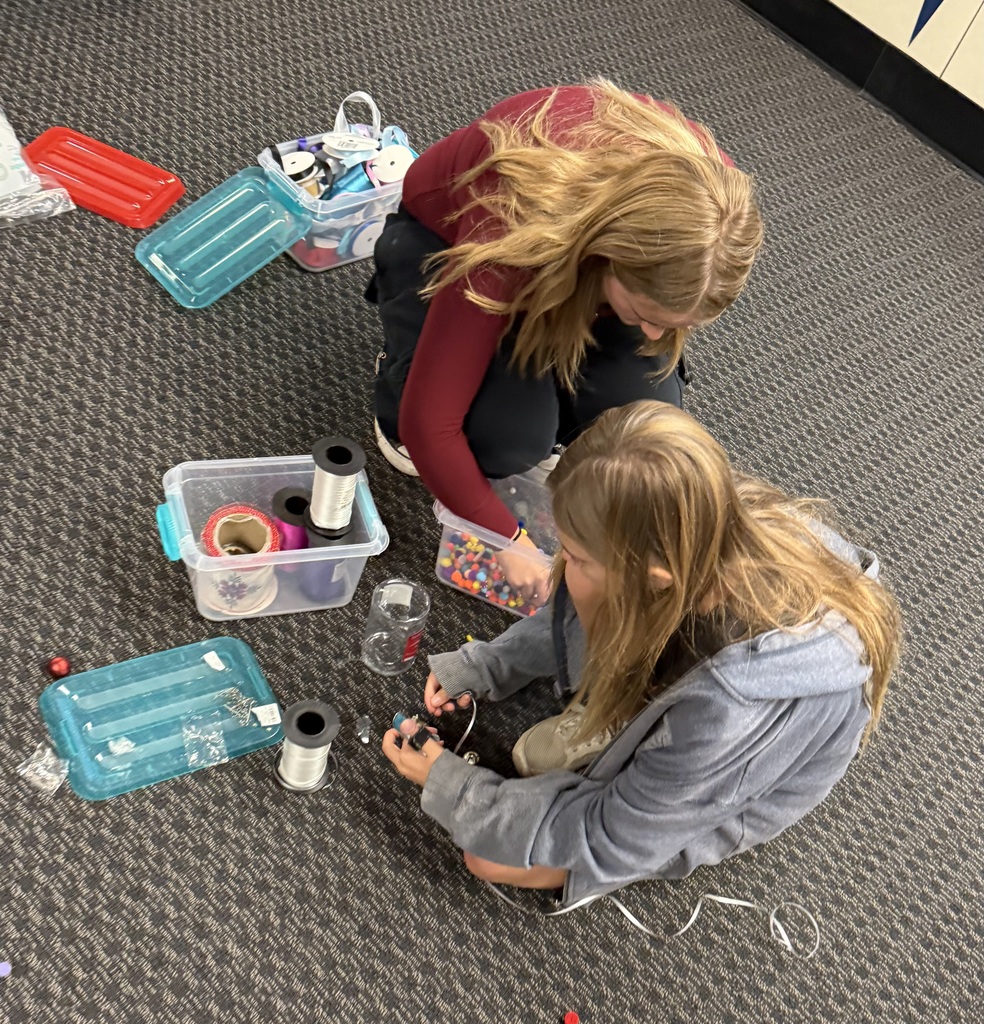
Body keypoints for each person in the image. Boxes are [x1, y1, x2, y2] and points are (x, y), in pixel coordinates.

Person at [381, 401, 901, 906]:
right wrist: (489, 664)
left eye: (578, 558)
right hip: (686, 692)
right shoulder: (689, 526)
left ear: (651, 581)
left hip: (714, 800)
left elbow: (619, 837)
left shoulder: (726, 711)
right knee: (511, 827)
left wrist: (456, 789)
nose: (561, 568)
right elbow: (573, 614)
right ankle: (622, 724)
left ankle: (625, 734)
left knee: (486, 858)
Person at [366, 80, 764, 604]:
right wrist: (505, 541)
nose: (655, 335)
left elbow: (656, 330)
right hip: (439, 240)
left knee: (646, 413)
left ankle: (553, 377)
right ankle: (402, 371)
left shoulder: (714, 209)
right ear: (609, 258)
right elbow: (430, 426)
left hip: (581, 263)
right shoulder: (510, 232)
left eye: (673, 323)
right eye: (647, 315)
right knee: (505, 440)